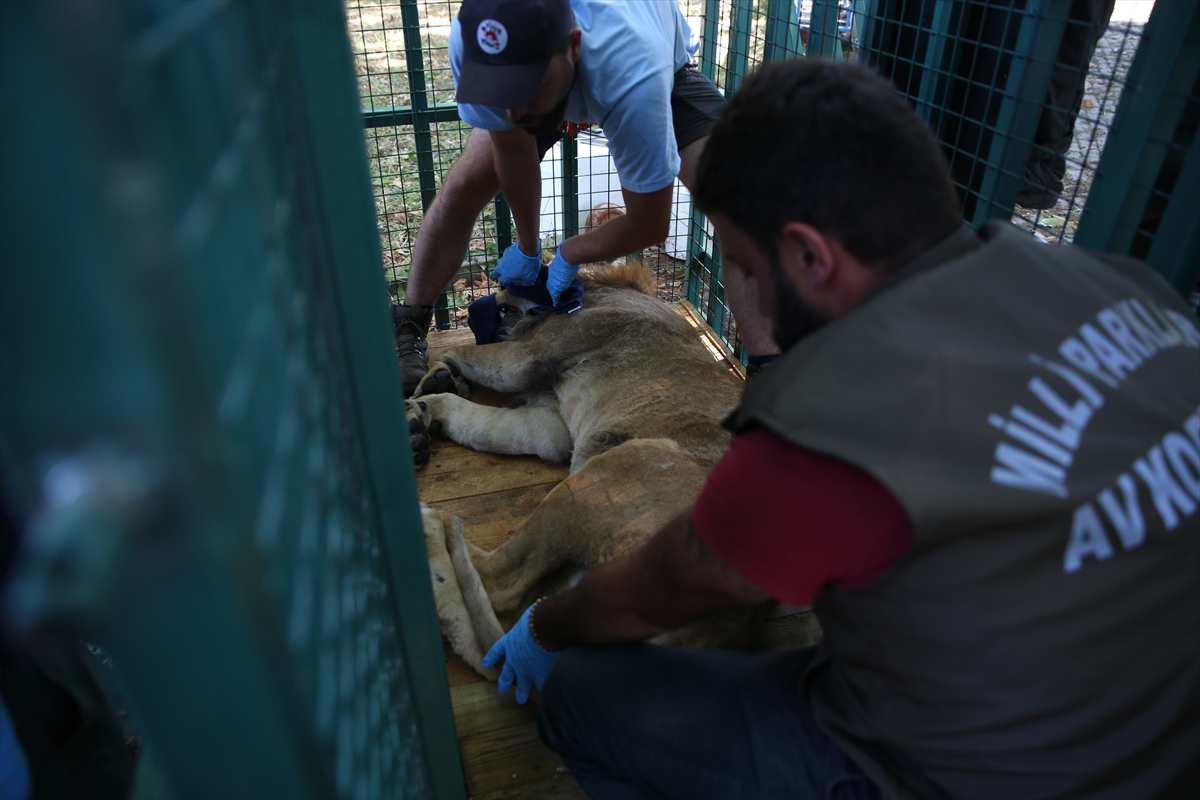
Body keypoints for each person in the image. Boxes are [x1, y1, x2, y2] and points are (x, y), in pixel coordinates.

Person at [480, 59, 1200, 798]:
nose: (744, 292)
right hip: (1159, 740)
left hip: (984, 775)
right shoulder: (1121, 286)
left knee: (583, 697)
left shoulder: (835, 413)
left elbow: (674, 583)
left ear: (809, 257)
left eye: (744, 266)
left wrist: (546, 626)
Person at [390, 0, 779, 397]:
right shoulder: (480, 43)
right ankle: (409, 322)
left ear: (574, 46)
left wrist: (570, 253)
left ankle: (772, 374)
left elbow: (650, 222)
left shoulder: (632, 69)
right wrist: (528, 248)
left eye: (529, 86)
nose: (512, 108)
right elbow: (512, 149)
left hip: (643, 67)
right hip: (570, 69)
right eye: (501, 92)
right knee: (463, 186)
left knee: (742, 206)